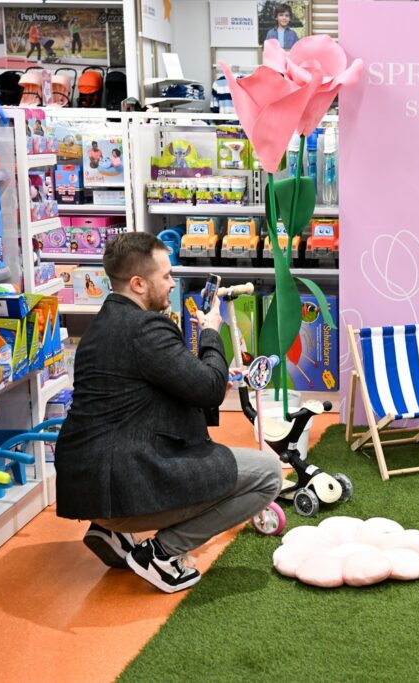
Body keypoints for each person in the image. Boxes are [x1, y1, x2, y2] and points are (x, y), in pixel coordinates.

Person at [53, 233, 282, 593]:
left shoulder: (101, 326)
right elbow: (208, 388)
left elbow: (146, 390)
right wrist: (211, 333)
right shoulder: (147, 327)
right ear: (138, 283)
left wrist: (206, 378)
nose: (173, 283)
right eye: (166, 276)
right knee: (268, 473)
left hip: (84, 486)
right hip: (121, 487)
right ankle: (160, 553)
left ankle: (113, 532)